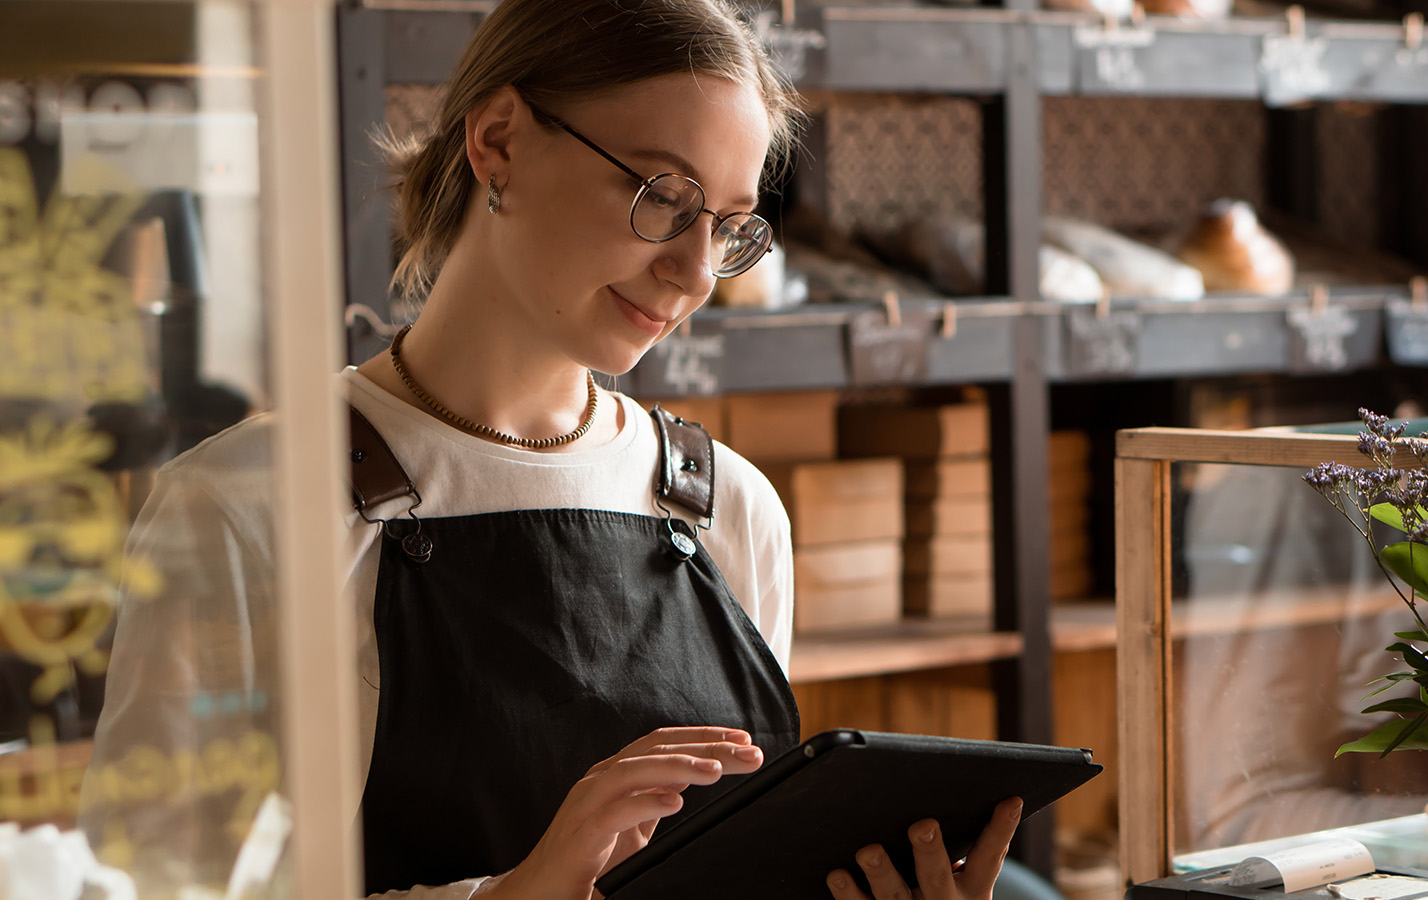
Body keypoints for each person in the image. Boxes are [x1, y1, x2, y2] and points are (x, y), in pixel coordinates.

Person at [86, 1, 1023, 897]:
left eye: (728, 226)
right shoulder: (244, 507)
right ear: (498, 142)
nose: (695, 272)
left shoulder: (730, 506)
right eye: (662, 194)